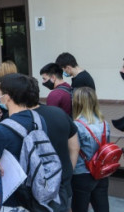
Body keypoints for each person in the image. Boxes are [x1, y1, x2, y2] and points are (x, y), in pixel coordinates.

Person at [0, 73, 49, 210]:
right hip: (38, 189)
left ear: (7, 97)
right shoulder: (39, 119)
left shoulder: (0, 131)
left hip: (12, 198)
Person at [29, 76, 79, 212]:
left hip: (36, 191)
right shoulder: (59, 113)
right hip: (63, 181)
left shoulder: (21, 121)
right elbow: (74, 147)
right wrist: (69, 170)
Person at [71, 87, 110, 212]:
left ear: (76, 103)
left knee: (79, 208)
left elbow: (74, 150)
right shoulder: (104, 123)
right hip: (101, 172)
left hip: (82, 173)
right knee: (102, 207)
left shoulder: (76, 125)